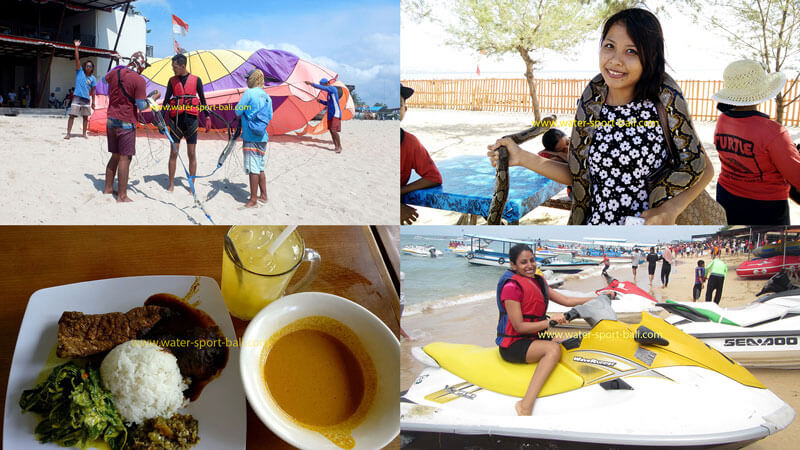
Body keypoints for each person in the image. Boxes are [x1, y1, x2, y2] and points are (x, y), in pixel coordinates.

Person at [488, 8, 713, 225]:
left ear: (650, 57)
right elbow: (580, 176)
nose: (615, 60)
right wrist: (521, 157)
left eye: (631, 51)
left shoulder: (661, 104)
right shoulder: (591, 107)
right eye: (609, 46)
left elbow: (703, 167)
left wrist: (670, 210)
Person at [496, 244, 590, 416]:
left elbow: (567, 300)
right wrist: (550, 322)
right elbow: (519, 327)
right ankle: (525, 405)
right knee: (552, 349)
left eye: (532, 260)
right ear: (513, 265)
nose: (530, 265)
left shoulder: (537, 281)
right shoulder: (511, 288)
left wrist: (597, 298)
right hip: (514, 344)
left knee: (569, 342)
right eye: (523, 262)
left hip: (533, 338)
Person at [711, 60, 800, 225]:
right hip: (765, 207)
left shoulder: (722, 120)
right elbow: (796, 176)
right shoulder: (773, 131)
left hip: (727, 196)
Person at [103, 52, 148, 203]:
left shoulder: (115, 72)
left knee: (115, 155)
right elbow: (141, 105)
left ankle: (108, 188)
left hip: (110, 119)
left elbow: (104, 79)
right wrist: (152, 99)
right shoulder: (139, 80)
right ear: (140, 65)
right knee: (125, 158)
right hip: (126, 122)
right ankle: (122, 196)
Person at [161, 54, 210, 192]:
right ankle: (171, 184)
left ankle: (191, 184)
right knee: (173, 153)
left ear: (183, 66)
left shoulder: (197, 80)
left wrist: (207, 117)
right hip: (175, 121)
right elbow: (166, 100)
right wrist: (160, 116)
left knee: (192, 153)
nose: (173, 69)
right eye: (172, 67)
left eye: (175, 67)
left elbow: (203, 99)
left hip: (191, 122)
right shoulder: (172, 81)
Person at [400, 84, 442, 224]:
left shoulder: (410, 142)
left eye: (398, 105)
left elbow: (434, 177)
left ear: (405, 110)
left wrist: (401, 191)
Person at [234, 69, 273, 208]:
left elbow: (238, 111)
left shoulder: (248, 93)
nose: (246, 80)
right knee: (260, 167)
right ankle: (264, 195)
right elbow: (270, 116)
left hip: (250, 136)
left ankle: (253, 200)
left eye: (247, 78)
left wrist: (245, 110)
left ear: (252, 79)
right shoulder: (267, 96)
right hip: (262, 136)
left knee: (253, 168)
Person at [65, 40, 96, 139]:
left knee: (85, 117)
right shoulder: (80, 72)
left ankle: (84, 134)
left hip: (86, 98)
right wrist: (76, 47)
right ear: (84, 66)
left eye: (90, 66)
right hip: (77, 97)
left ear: (92, 68)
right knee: (72, 115)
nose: (88, 67)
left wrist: (93, 102)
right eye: (87, 65)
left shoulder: (93, 78)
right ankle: (68, 134)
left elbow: (94, 91)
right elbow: (77, 58)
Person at [305, 78, 343, 152]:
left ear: (327, 83)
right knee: (331, 131)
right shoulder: (329, 93)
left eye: (323, 85)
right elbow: (328, 103)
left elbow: (322, 88)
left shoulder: (332, 88)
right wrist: (320, 101)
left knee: (334, 130)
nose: (323, 87)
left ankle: (339, 147)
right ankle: (336, 146)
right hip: (330, 114)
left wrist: (310, 83)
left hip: (336, 113)